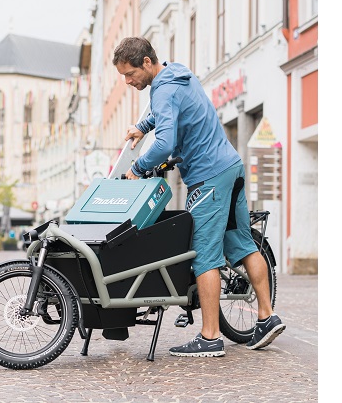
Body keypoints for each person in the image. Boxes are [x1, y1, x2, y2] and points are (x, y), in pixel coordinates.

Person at [113, 36, 285, 357]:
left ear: (147, 63)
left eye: (130, 73)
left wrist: (137, 167)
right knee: (243, 244)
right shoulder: (178, 74)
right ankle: (265, 317)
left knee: (204, 255)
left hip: (208, 177)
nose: (127, 81)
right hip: (230, 166)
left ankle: (210, 337)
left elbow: (164, 144)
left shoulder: (161, 89)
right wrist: (142, 126)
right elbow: (167, 111)